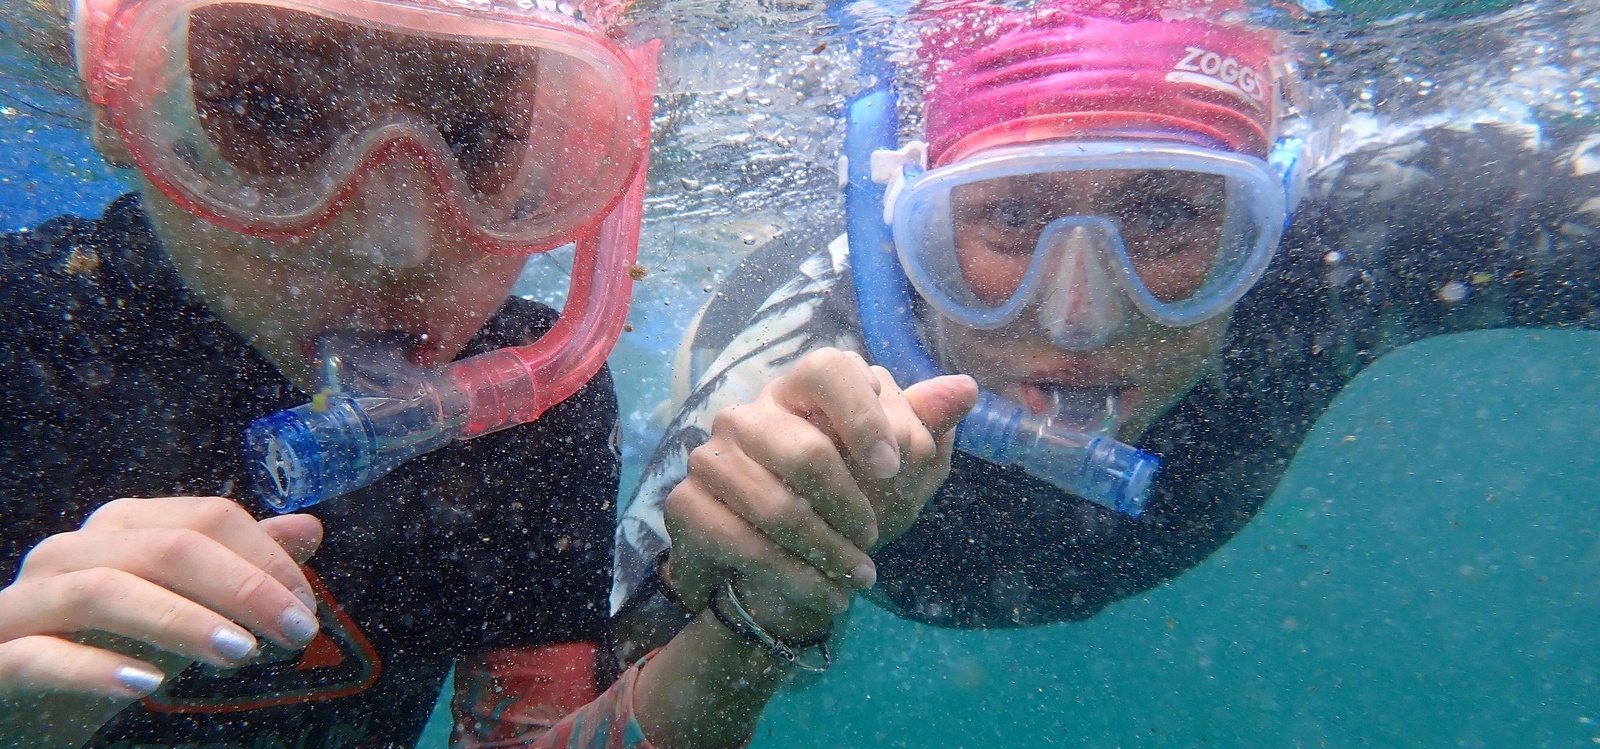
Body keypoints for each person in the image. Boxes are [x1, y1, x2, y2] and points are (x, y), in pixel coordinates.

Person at [0, 0, 849, 749]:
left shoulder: (538, 410)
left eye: (476, 134)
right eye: (271, 111)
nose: (392, 244)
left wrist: (752, 630)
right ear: (119, 107)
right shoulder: (23, 333)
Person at [613, 0, 1600, 647]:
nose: (1078, 319)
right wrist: (713, 591)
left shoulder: (1339, 257)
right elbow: (556, 740)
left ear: (1266, 223)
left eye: (1167, 213)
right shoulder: (800, 375)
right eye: (1007, 216)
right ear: (907, 230)